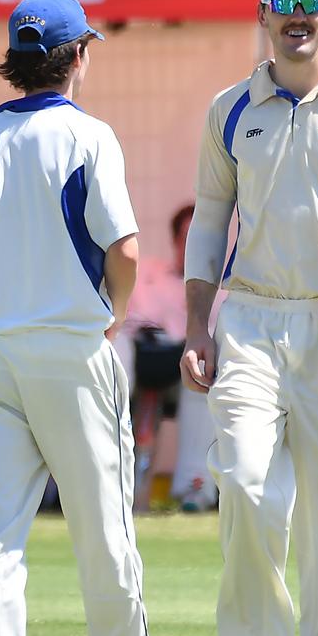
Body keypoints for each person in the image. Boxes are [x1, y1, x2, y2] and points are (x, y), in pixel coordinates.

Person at [0, 0, 148, 636]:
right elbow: (124, 249)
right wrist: (116, 313)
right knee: (103, 530)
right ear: (78, 56)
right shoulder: (88, 135)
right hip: (72, 350)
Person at [179, 0, 318, 636]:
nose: (298, 17)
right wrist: (196, 326)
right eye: (284, 2)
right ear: (263, 12)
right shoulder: (230, 107)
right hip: (252, 317)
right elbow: (210, 219)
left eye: (311, 3)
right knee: (242, 482)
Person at [124, 203, 217, 512]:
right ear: (175, 240)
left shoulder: (223, 290)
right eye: (186, 237)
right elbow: (127, 317)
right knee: (114, 351)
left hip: (186, 373)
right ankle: (113, 489)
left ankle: (194, 489)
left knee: (203, 370)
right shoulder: (149, 273)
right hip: (139, 367)